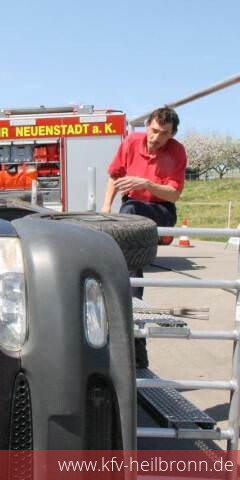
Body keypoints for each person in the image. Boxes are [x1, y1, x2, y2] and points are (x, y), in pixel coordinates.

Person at [101, 106, 186, 368]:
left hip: (161, 210)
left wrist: (146, 184)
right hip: (131, 209)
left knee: (130, 214)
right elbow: (115, 176)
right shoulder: (130, 142)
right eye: (155, 130)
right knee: (128, 241)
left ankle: (131, 311)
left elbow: (174, 194)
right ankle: (135, 341)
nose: (157, 137)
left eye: (165, 134)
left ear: (172, 135)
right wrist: (106, 208)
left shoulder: (176, 151)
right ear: (147, 126)